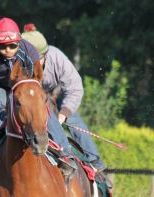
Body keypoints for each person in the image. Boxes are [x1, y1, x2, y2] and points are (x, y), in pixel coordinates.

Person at [0, 17, 78, 193]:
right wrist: (2, 113)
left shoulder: (30, 52)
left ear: (19, 41)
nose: (7, 50)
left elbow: (35, 83)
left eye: (12, 46)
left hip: (23, 86)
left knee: (43, 110)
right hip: (1, 89)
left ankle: (66, 156)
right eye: (2, 46)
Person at [21, 23, 106, 171]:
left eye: (36, 60)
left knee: (72, 118)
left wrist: (63, 114)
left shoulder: (56, 56)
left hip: (52, 96)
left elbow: (75, 88)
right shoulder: (17, 63)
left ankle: (94, 160)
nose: (32, 65)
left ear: (45, 55)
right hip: (28, 100)